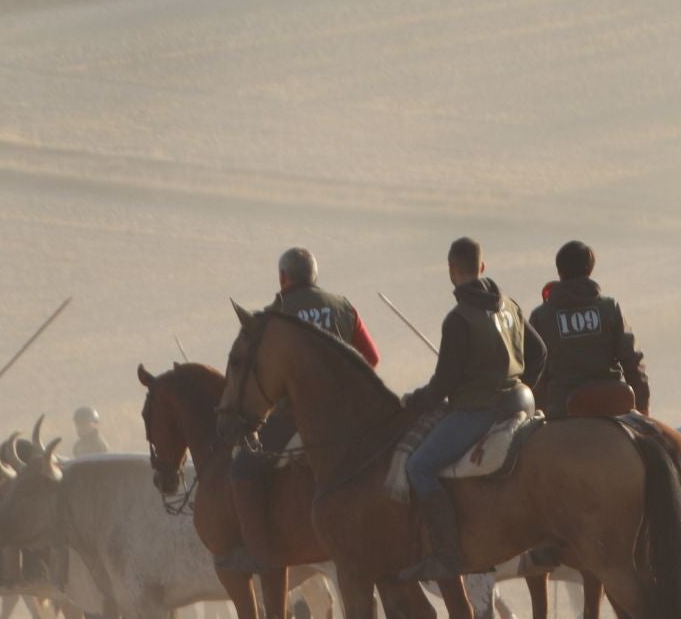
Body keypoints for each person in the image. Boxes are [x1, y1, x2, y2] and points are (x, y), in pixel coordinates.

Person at [223, 247, 381, 574]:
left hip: (295, 416)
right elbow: (372, 358)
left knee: (243, 470)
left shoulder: (273, 317)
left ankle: (257, 552)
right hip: (350, 417)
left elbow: (266, 373)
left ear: (283, 277)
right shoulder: (343, 307)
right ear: (314, 275)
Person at [398, 237, 546, 582]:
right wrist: (522, 385)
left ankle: (447, 556)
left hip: (481, 412)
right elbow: (539, 354)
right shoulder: (510, 306)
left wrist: (414, 401)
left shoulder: (458, 319)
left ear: (452, 271)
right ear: (482, 267)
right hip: (523, 401)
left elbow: (443, 385)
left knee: (418, 467)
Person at [529, 240, 648, 417]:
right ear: (590, 270)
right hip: (613, 406)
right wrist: (643, 406)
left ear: (559, 271)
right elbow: (632, 360)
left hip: (562, 411)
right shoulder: (610, 308)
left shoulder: (541, 316)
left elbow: (534, 371)